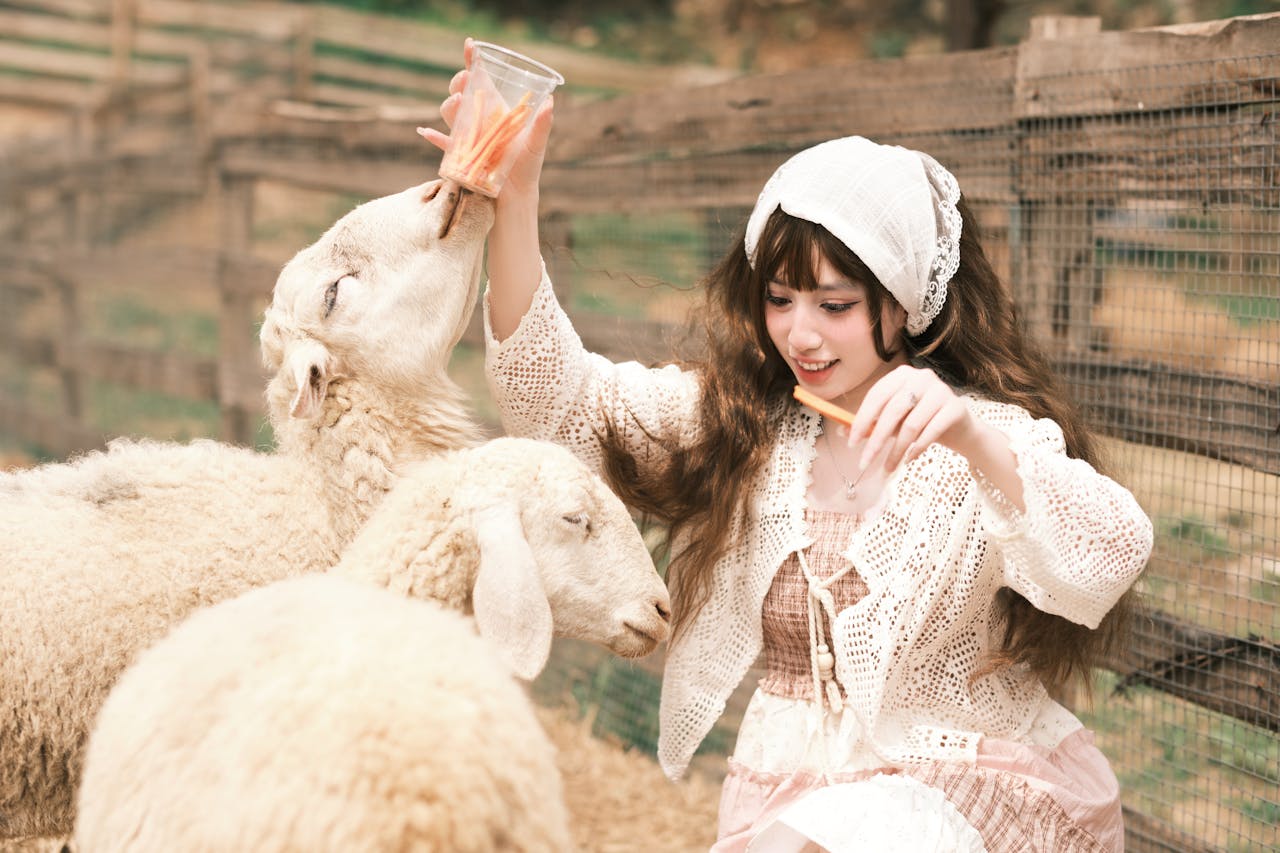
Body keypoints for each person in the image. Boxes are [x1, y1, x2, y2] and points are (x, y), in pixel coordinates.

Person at [421, 40, 1153, 853]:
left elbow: (1111, 552)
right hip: (791, 798)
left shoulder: (976, 433)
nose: (799, 334)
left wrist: (971, 435)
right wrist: (517, 196)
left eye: (835, 305)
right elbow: (556, 397)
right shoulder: (749, 424)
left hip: (968, 791)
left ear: (904, 303)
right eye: (779, 298)